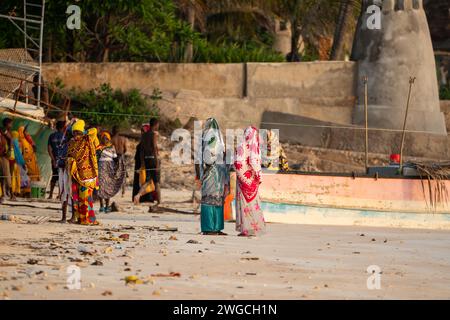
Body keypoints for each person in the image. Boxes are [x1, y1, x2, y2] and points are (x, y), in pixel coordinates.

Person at [195, 118, 229, 236]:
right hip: (214, 173)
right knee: (213, 200)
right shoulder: (216, 138)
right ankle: (213, 227)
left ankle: (213, 228)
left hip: (213, 174)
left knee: (214, 200)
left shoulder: (206, 138)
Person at [234, 126, 266, 237]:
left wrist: (243, 177)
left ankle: (246, 229)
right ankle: (253, 228)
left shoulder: (241, 146)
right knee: (253, 204)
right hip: (252, 180)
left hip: (243, 180)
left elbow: (237, 164)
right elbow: (255, 163)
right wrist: (258, 177)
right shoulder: (255, 148)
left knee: (245, 205)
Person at [67, 119, 99, 225]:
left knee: (86, 198)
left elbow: (94, 130)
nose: (76, 135)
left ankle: (87, 219)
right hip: (76, 175)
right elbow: (69, 155)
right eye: (74, 132)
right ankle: (82, 219)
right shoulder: (72, 143)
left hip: (87, 176)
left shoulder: (87, 139)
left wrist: (85, 133)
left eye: (78, 132)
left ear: (82, 132)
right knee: (80, 198)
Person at [133, 118, 161, 212]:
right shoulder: (154, 134)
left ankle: (138, 195)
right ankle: (159, 203)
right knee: (156, 182)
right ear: (156, 124)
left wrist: (143, 163)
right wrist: (157, 162)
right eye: (158, 125)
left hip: (146, 159)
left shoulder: (144, 135)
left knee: (147, 181)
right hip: (153, 159)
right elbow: (154, 147)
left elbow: (142, 151)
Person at [98, 131, 126, 213]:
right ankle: (101, 206)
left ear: (109, 139)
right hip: (100, 170)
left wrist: (119, 164)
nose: (105, 140)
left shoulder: (111, 148)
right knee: (100, 187)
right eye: (103, 138)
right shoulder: (98, 148)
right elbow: (95, 159)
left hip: (109, 170)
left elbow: (115, 159)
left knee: (108, 187)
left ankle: (107, 206)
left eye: (106, 138)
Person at [132, 123, 155, 206]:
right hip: (144, 164)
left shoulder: (145, 140)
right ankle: (139, 196)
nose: (142, 132)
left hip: (143, 163)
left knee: (144, 180)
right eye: (142, 131)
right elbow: (142, 153)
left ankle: (142, 197)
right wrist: (142, 164)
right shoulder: (145, 140)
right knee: (146, 181)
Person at [47, 121, 67, 199]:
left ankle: (51, 194)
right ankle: (60, 194)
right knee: (62, 177)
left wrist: (53, 159)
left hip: (55, 159)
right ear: (63, 128)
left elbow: (49, 149)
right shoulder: (66, 137)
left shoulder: (52, 136)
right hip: (63, 160)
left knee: (54, 177)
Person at [111, 125, 128, 197]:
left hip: (114, 157)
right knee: (123, 174)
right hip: (122, 156)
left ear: (113, 131)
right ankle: (123, 192)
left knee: (114, 174)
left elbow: (111, 149)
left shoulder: (112, 139)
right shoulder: (123, 139)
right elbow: (125, 149)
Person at [10, 131, 26, 198]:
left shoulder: (11, 142)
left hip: (12, 161)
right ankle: (18, 191)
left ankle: (13, 191)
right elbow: (21, 153)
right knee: (18, 177)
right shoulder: (20, 143)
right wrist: (22, 162)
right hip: (18, 162)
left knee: (12, 177)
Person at [0, 118, 13, 202]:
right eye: (10, 124)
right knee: (3, 175)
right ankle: (4, 194)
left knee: (6, 174)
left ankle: (10, 194)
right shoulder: (3, 129)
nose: (11, 126)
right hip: (2, 155)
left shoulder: (3, 130)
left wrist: (9, 150)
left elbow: (10, 139)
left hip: (3, 155)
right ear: (7, 124)